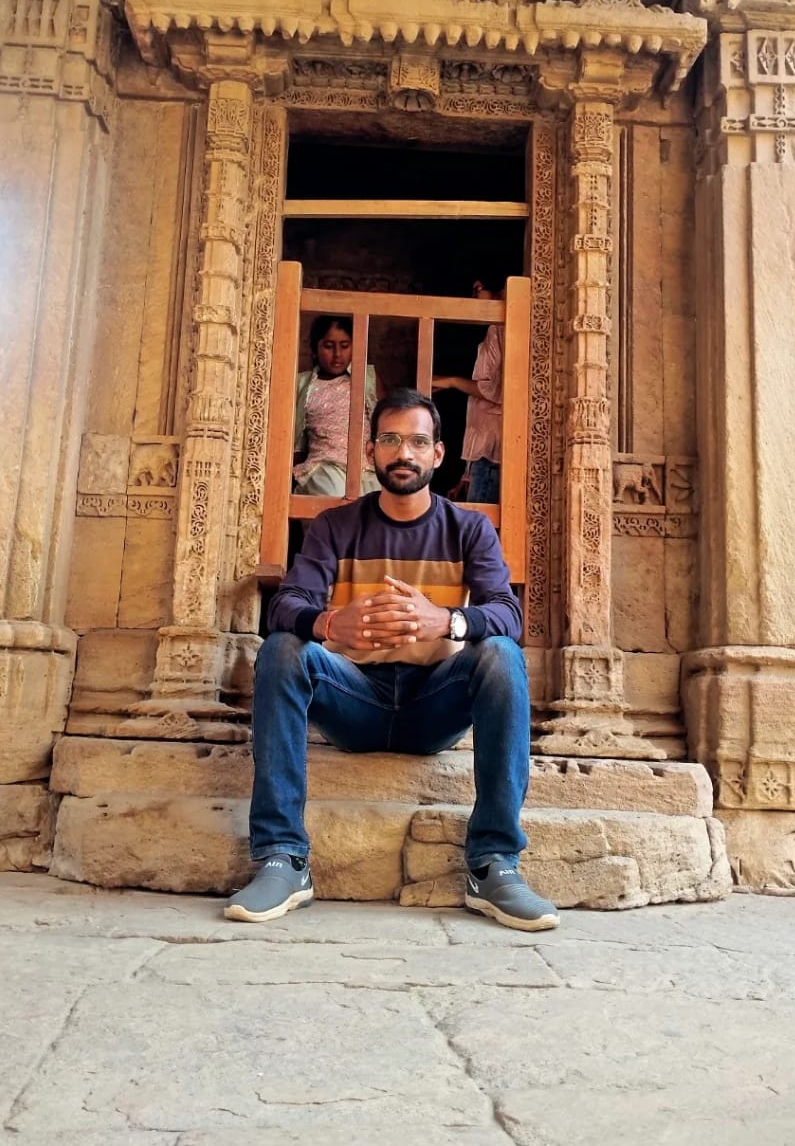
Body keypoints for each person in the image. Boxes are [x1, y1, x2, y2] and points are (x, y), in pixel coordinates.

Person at [225, 387, 558, 932]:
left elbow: (506, 613)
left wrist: (445, 621)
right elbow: (286, 605)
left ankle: (494, 863)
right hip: (354, 700)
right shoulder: (336, 526)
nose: (404, 453)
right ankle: (282, 858)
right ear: (370, 451)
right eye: (390, 439)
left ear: (438, 454)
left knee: (501, 655)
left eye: (418, 442)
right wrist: (329, 624)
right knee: (282, 649)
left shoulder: (469, 528)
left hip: (434, 705)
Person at [432, 279, 503, 504]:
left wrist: (452, 381)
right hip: (483, 456)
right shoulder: (496, 329)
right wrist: (468, 473)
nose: (475, 297)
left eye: (477, 290)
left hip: (491, 454)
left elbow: (495, 390)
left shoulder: (500, 328)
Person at [293, 315, 379, 497]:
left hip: (368, 470)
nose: (337, 354)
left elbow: (386, 424)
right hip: (324, 468)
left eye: (345, 346)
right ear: (315, 348)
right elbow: (293, 440)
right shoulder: (302, 383)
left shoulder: (368, 379)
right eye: (328, 346)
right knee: (336, 502)